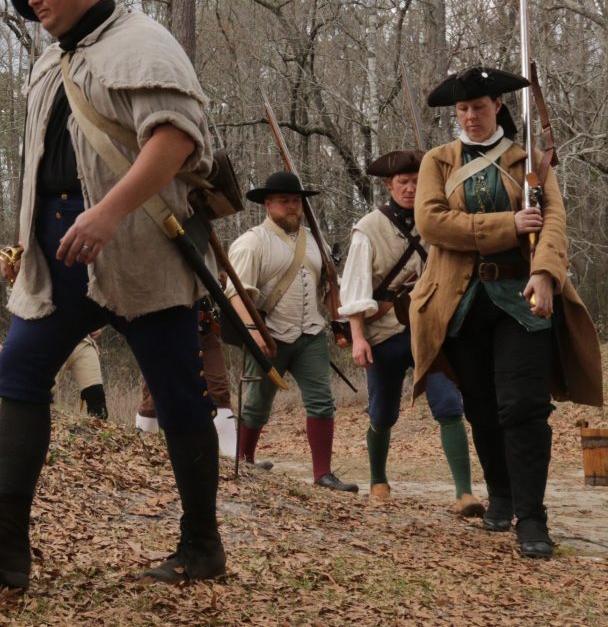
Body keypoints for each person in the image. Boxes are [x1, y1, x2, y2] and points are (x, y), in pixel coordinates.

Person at [0, 0, 225, 589]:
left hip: (136, 239)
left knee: (177, 392)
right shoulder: (47, 64)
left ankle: (202, 546)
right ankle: (6, 541)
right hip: (59, 249)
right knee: (22, 374)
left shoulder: (143, 41)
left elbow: (175, 138)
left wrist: (110, 211)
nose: (34, 0)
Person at [411, 67, 603, 558]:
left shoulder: (529, 162)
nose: (470, 117)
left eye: (479, 107)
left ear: (497, 105)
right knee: (481, 406)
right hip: (461, 302)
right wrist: (507, 223)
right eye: (462, 110)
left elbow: (554, 221)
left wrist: (545, 273)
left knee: (523, 406)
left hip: (521, 299)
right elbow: (432, 223)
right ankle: (500, 495)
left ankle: (532, 518)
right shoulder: (439, 160)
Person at [339, 150, 482, 515]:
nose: (410, 188)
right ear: (389, 185)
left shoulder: (436, 220)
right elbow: (354, 290)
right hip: (383, 333)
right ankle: (378, 480)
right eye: (403, 181)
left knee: (449, 404)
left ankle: (464, 493)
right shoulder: (367, 229)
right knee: (383, 412)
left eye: (417, 181)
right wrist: (357, 338)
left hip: (428, 330)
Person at [224, 171, 358, 493]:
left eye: (296, 201)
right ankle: (245, 459)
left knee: (322, 402)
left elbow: (327, 289)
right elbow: (236, 294)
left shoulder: (315, 241)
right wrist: (254, 333)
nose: (292, 207)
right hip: (269, 335)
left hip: (310, 333)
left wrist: (342, 323)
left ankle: (322, 474)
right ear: (268, 204)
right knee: (257, 404)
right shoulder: (251, 242)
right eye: (284, 201)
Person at [136, 298, 237, 457]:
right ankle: (144, 453)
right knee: (154, 395)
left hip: (203, 330)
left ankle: (233, 458)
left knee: (219, 390)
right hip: (164, 329)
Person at [58, 329, 108, 419]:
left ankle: (99, 432)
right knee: (37, 398)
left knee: (97, 400)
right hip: (49, 341)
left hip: (83, 343)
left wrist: (99, 325)